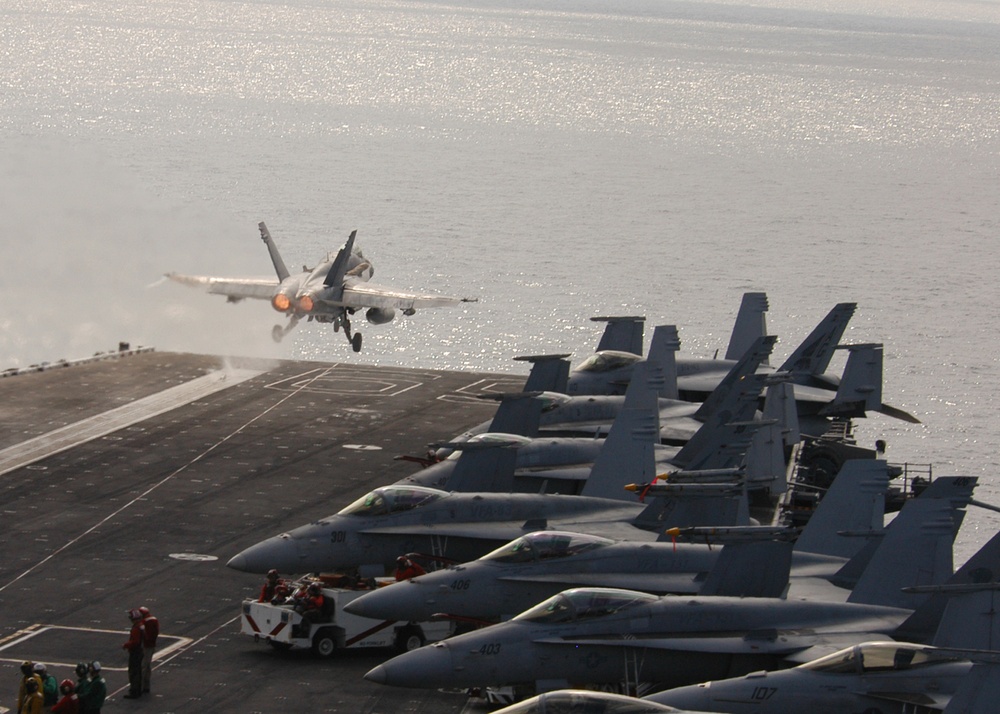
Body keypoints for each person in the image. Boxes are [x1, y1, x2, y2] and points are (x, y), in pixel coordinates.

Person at [122, 609, 145, 699]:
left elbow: (135, 642)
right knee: (137, 671)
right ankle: (138, 689)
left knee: (133, 672)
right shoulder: (141, 626)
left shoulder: (136, 628)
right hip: (140, 651)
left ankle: (134, 691)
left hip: (135, 652)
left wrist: (126, 645)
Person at [138, 606, 159, 694]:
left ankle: (141, 686)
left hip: (146, 646)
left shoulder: (143, 622)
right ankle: (146, 686)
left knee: (143, 666)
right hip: (151, 645)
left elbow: (143, 634)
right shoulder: (154, 620)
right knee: (147, 666)